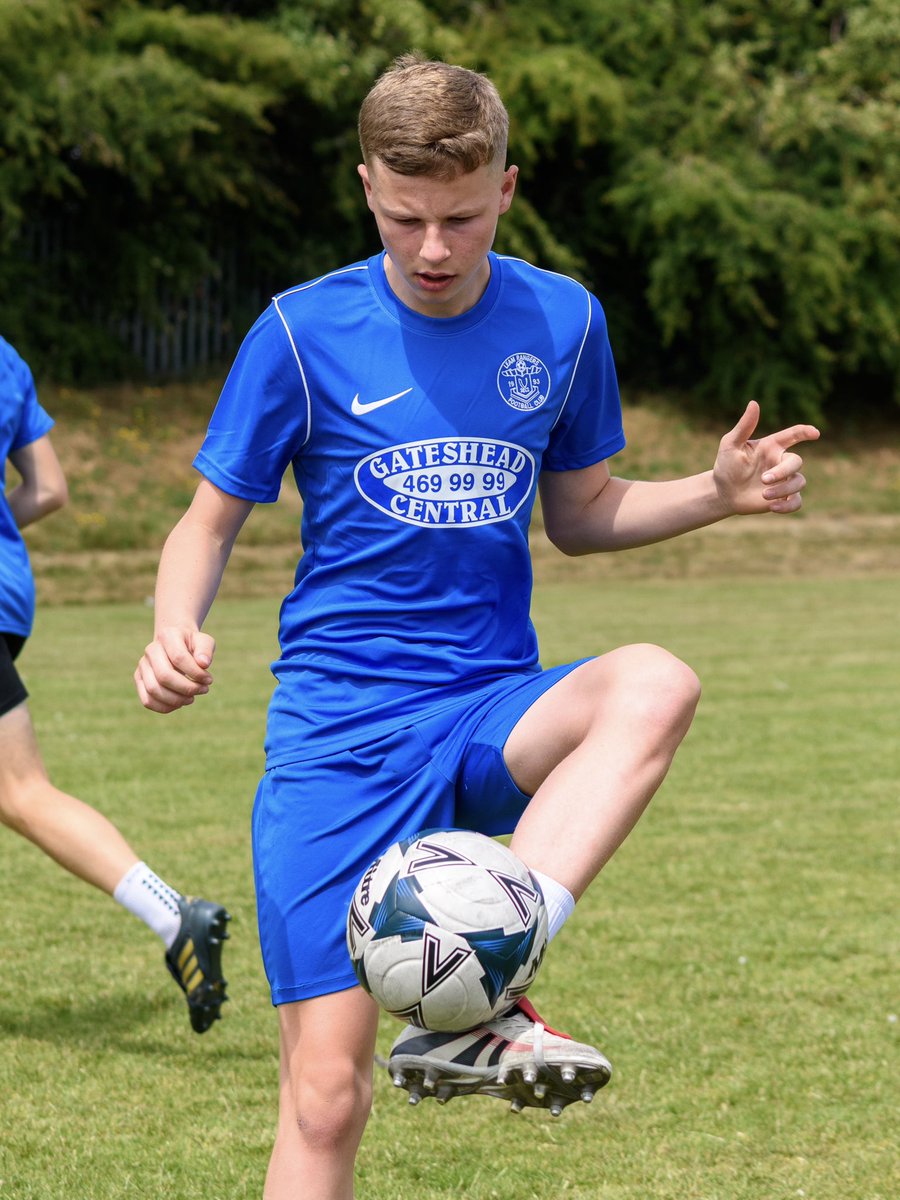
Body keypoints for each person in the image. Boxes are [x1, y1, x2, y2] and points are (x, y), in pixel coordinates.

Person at [134, 55, 819, 1199]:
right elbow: (204, 525)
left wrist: (714, 495)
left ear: (506, 186)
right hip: (339, 739)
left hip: (485, 711)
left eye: (459, 215)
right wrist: (171, 627)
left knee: (655, 680)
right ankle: (464, 1013)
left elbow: (585, 514)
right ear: (366, 190)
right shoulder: (300, 334)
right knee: (324, 1096)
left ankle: (482, 981)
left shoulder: (564, 318)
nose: (435, 248)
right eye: (406, 219)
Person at [0, 333, 231, 1034]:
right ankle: (172, 915)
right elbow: (49, 489)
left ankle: (172, 916)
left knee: (18, 789)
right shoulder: (7, 357)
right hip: (9, 596)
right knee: (18, 789)